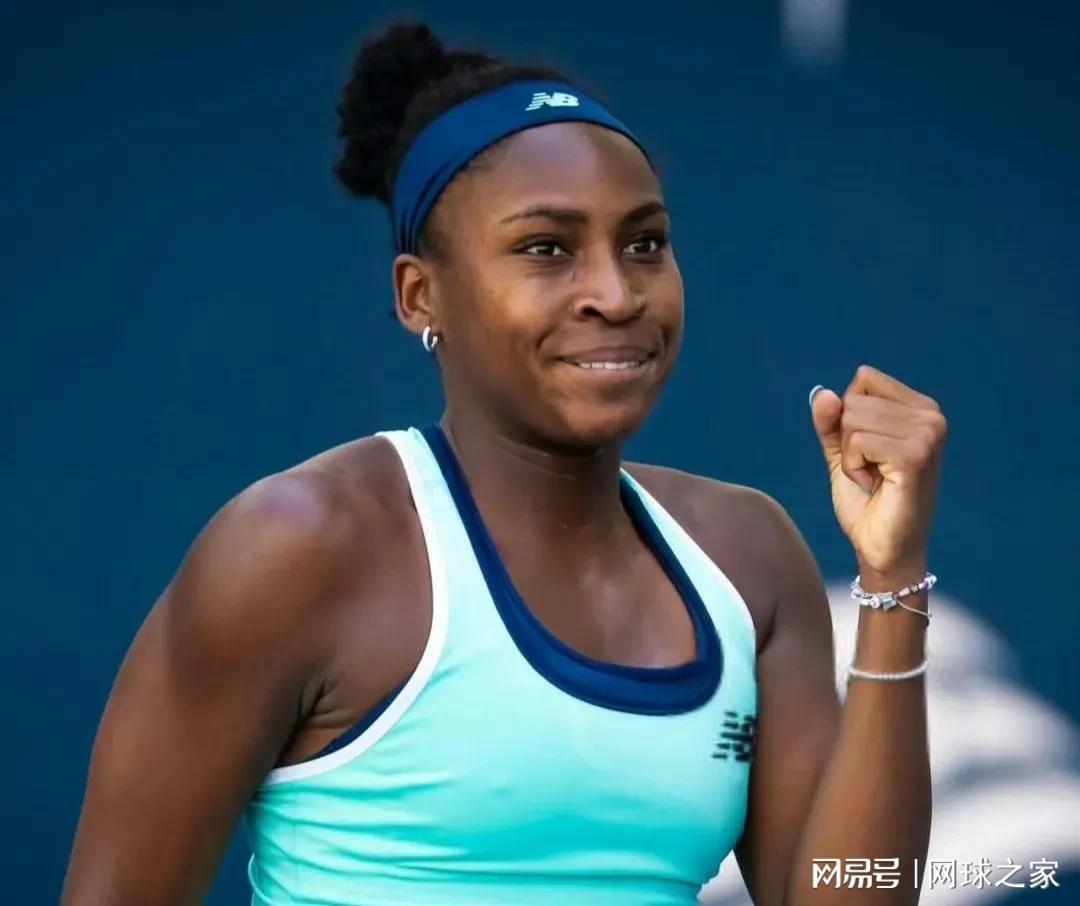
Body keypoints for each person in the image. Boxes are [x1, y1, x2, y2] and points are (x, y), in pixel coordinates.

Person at [61, 20, 946, 906]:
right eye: (545, 249)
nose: (615, 293)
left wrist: (892, 575)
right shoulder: (296, 548)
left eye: (644, 243)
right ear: (420, 296)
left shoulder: (749, 557)